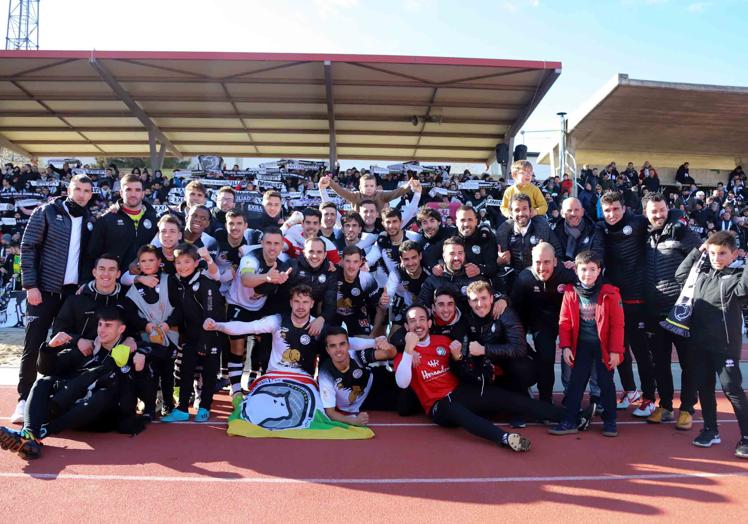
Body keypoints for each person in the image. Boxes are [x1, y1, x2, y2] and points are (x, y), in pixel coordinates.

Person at [0, 307, 146, 460]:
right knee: (43, 382)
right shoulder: (88, 348)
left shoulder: (132, 350)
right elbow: (48, 369)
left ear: (121, 329)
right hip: (69, 409)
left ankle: (38, 433)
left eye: (108, 325)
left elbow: (157, 358)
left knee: (104, 394)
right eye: (100, 324)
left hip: (101, 416)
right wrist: (50, 348)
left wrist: (140, 359)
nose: (101, 330)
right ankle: (29, 435)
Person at [12, 174, 95, 424]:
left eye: (86, 191)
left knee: (66, 346)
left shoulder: (90, 220)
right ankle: (23, 399)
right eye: (77, 189)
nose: (81, 194)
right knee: (34, 344)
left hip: (72, 295)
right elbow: (28, 247)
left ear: (91, 195)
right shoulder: (46, 212)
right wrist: (31, 285)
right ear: (69, 189)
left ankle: (56, 396)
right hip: (43, 291)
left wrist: (82, 285)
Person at [393, 304, 531, 452]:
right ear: (406, 326)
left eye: (422, 319)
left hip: (459, 393)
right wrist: (408, 349)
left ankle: (558, 414)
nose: (418, 324)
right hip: (439, 406)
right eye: (413, 321)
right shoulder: (404, 354)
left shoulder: (444, 340)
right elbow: (402, 382)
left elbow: (462, 366)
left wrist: (457, 357)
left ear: (429, 323)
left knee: (500, 397)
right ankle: (505, 438)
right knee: (454, 409)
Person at [675, 232, 748, 457]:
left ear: (734, 254)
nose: (717, 257)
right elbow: (680, 274)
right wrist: (700, 250)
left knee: (731, 388)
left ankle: (746, 436)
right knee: (704, 387)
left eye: (723, 253)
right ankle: (710, 429)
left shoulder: (736, 276)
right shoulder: (701, 275)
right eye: (714, 253)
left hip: (725, 345)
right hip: (699, 343)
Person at [642, 193, 701, 429]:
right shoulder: (642, 236)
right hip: (654, 312)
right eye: (654, 211)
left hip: (681, 312)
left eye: (663, 209)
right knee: (660, 363)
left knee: (689, 362)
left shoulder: (682, 231)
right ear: (645, 213)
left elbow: (701, 255)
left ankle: (687, 408)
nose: (659, 215)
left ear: (668, 209)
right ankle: (665, 405)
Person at [549, 251, 624, 437]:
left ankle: (610, 421)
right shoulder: (570, 291)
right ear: (576, 270)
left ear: (599, 271)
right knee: (576, 383)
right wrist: (565, 346)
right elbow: (564, 321)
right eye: (583, 269)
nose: (587, 274)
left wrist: (615, 351)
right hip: (581, 345)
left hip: (603, 346)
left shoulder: (610, 293)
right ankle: (569, 421)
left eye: (592, 269)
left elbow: (617, 325)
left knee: (606, 383)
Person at [596, 190, 656, 415]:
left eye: (615, 209)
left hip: (638, 298)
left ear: (624, 208)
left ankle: (649, 397)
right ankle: (630, 391)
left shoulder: (639, 222)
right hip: (615, 298)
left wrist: (678, 215)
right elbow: (598, 252)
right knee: (618, 348)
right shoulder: (600, 228)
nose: (611, 214)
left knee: (641, 351)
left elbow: (667, 216)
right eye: (607, 210)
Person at [161, 243, 228, 423]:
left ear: (196, 262)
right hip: (191, 336)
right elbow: (180, 311)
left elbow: (211, 314)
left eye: (187, 262)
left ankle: (205, 407)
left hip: (211, 337)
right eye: (179, 262)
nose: (182, 266)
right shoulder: (179, 283)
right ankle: (182, 408)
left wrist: (205, 343)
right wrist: (168, 323)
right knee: (186, 371)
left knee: (209, 374)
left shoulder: (206, 283)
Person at [511, 242, 576, 403]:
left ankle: (574, 396)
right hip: (540, 321)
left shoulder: (568, 274)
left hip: (567, 320)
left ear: (555, 261)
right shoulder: (524, 278)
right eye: (537, 262)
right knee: (545, 358)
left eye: (546, 262)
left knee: (577, 355)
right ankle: (545, 400)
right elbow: (516, 312)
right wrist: (520, 342)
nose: (541, 267)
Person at [122, 245, 181, 418]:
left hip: (169, 337)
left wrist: (168, 324)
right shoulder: (133, 288)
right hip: (147, 338)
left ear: (160, 262)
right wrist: (145, 325)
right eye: (143, 261)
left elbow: (179, 308)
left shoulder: (169, 281)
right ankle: (150, 405)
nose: (147, 264)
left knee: (168, 372)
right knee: (150, 371)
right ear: (138, 264)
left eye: (151, 260)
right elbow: (130, 314)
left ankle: (168, 403)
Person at [318, 327, 397, 425]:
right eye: (333, 346)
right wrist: (353, 420)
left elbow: (390, 354)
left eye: (342, 344)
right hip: (358, 405)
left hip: (374, 387)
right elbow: (330, 412)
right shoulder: (325, 373)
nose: (338, 350)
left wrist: (389, 347)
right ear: (327, 350)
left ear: (348, 345)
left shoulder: (356, 355)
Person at [495, 193, 563, 293]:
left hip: (541, 281)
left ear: (530, 211)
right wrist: (499, 262)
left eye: (524, 209)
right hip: (515, 283)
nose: (521, 213)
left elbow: (558, 254)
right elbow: (492, 265)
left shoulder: (543, 229)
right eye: (517, 210)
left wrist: (547, 264)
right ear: (511, 213)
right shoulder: (504, 233)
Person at [319, 172, 416, 214]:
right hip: (358, 226)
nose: (369, 188)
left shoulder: (381, 195)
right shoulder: (355, 196)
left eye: (371, 186)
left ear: (376, 187)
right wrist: (330, 183)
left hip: (377, 225)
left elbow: (396, 192)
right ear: (360, 187)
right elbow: (342, 191)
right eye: (366, 186)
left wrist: (408, 186)